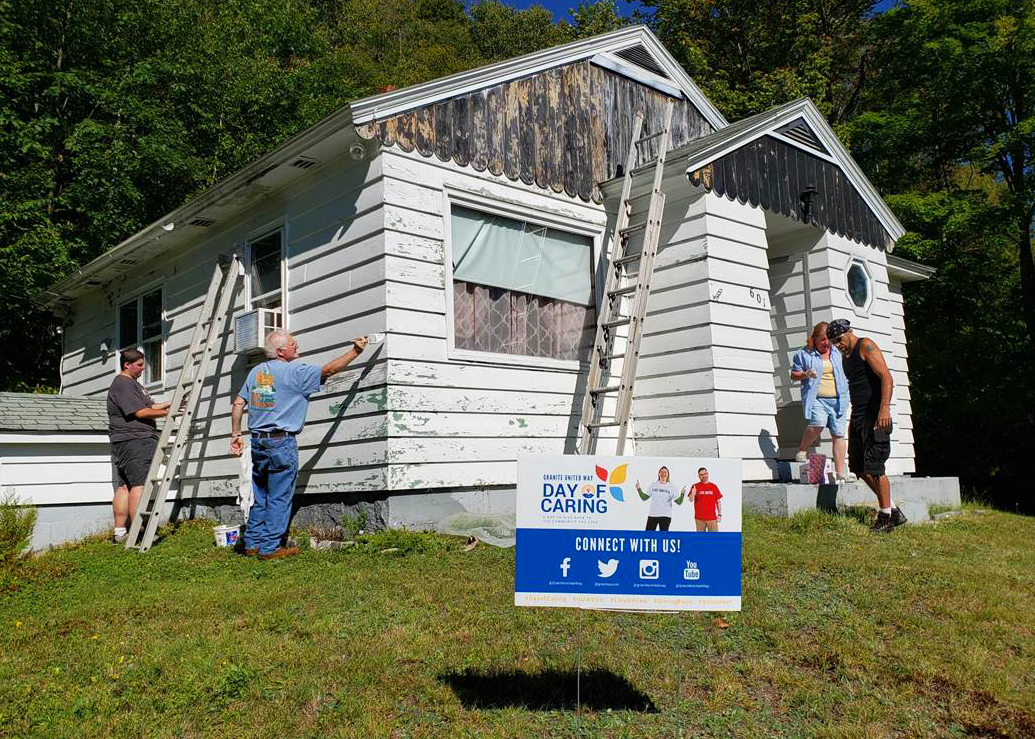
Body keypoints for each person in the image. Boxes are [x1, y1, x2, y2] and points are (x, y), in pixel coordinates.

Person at [230, 330, 368, 560]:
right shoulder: (296, 371)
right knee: (279, 496)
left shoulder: (256, 372)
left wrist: (236, 433)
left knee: (260, 494)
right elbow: (329, 370)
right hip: (280, 442)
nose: (297, 345)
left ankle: (251, 544)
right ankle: (270, 548)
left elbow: (238, 403)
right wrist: (356, 351)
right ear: (281, 351)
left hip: (257, 442)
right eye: (293, 343)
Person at [826, 318, 907, 533]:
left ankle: (886, 516)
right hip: (859, 415)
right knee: (859, 468)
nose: (838, 345)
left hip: (876, 414)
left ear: (848, 332)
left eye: (839, 339)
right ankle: (892, 509)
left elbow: (886, 377)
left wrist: (884, 409)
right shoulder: (845, 358)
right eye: (834, 342)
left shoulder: (866, 345)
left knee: (876, 467)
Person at [107, 349, 170, 543]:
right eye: (140, 365)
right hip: (135, 440)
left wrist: (173, 404)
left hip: (125, 440)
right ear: (127, 365)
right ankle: (139, 532)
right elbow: (141, 413)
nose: (144, 368)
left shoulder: (133, 385)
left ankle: (120, 533)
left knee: (124, 486)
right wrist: (167, 414)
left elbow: (151, 406)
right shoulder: (123, 384)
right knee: (139, 485)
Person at [790, 321, 851, 482]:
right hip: (817, 398)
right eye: (822, 339)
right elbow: (793, 375)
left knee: (839, 434)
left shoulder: (837, 352)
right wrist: (805, 374)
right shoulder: (804, 354)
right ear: (814, 339)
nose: (826, 343)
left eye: (829, 339)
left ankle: (840, 472)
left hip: (839, 399)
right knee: (818, 422)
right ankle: (802, 449)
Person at [635, 466, 686, 531]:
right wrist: (638, 488)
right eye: (661, 472)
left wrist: (682, 494)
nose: (663, 474)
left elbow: (679, 502)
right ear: (659, 474)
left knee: (663, 537)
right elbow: (644, 497)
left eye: (665, 472)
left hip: (665, 515)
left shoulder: (672, 487)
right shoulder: (653, 485)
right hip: (653, 514)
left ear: (668, 475)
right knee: (648, 536)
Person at [689, 467, 723, 531]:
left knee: (714, 539)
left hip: (712, 518)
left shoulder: (714, 486)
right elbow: (690, 500)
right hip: (699, 518)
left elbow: (718, 501)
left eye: (705, 473)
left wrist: (719, 515)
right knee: (700, 539)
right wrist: (693, 494)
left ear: (707, 474)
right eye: (701, 475)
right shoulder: (695, 486)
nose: (704, 476)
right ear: (699, 476)